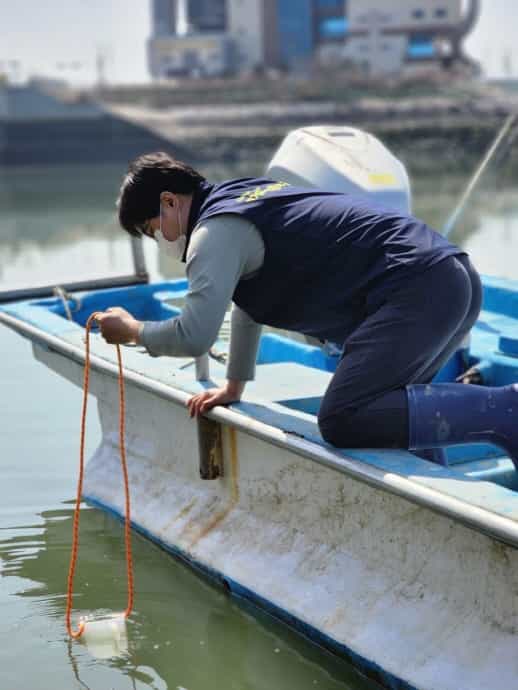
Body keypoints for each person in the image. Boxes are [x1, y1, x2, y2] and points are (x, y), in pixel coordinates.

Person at [95, 151, 518, 467]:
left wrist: (132, 330)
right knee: (403, 409)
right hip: (450, 274)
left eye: (153, 230)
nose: (160, 240)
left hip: (414, 288)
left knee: (343, 418)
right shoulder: (241, 197)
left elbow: (195, 335)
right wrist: (234, 387)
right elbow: (250, 303)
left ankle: (504, 409)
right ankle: (441, 497)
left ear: (169, 202)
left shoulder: (213, 233)